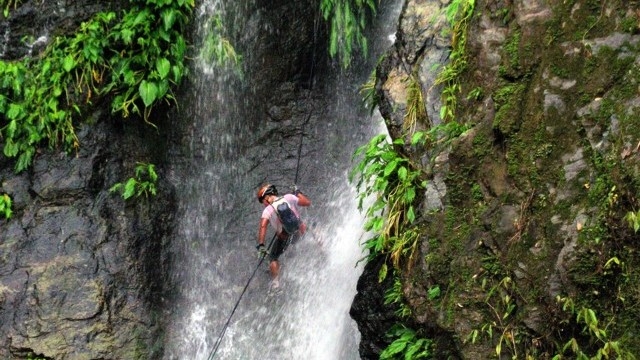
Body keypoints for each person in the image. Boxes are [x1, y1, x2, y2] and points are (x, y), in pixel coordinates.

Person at [256, 183, 311, 291]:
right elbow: (307, 202)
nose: (263, 204)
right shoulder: (288, 197)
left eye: (262, 201)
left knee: (273, 257)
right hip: (299, 231)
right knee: (310, 226)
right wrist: (297, 193)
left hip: (285, 237)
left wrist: (261, 245)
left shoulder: (267, 210)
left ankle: (276, 284)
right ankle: (322, 243)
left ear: (266, 197)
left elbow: (263, 226)